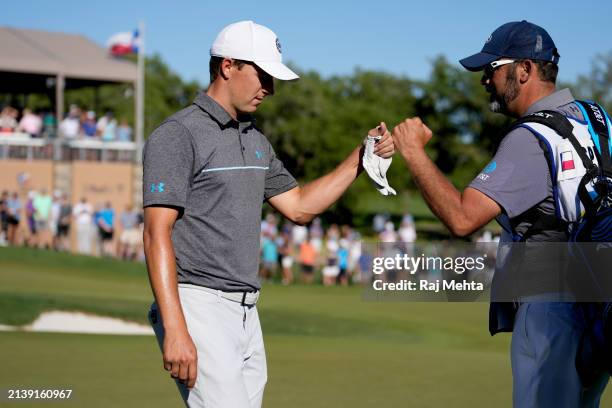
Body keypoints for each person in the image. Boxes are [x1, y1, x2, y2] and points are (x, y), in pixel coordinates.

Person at [142, 20, 394, 408]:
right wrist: (175, 327)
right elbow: (156, 233)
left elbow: (299, 207)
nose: (270, 89)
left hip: (247, 311)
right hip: (199, 305)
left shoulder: (255, 140)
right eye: (263, 75)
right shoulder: (178, 134)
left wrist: (361, 158)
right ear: (228, 67)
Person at [390, 20, 609, 407]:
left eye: (492, 69)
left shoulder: (530, 137)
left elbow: (462, 218)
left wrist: (413, 153)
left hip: (551, 308)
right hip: (599, 302)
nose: (485, 81)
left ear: (523, 69)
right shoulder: (599, 119)